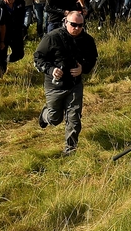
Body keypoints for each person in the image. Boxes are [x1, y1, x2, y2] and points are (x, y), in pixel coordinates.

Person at [34, 10, 98, 155]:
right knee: (55, 119)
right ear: (65, 22)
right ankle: (45, 114)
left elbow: (92, 59)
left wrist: (83, 68)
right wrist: (51, 70)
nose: (76, 28)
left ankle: (70, 150)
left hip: (75, 84)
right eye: (73, 24)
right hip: (55, 86)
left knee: (74, 118)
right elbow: (38, 57)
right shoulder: (52, 37)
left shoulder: (87, 40)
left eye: (80, 25)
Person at [0, 0, 27, 77]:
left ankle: (7, 59)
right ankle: (0, 75)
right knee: (1, 57)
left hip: (16, 32)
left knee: (19, 54)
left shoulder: (20, 1)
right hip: (3, 34)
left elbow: (21, 16)